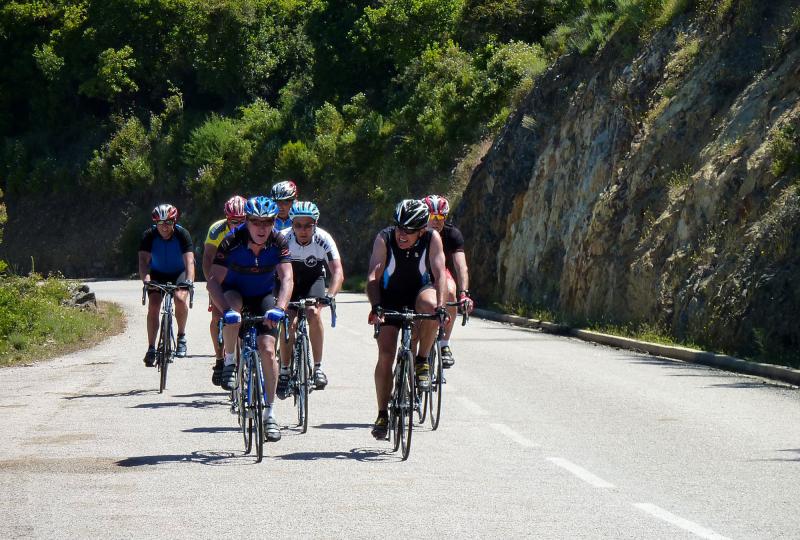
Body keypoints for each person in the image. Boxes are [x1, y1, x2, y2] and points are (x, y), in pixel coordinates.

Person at [206, 196, 293, 443]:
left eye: (268, 222)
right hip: (235, 293)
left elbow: (287, 279)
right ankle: (230, 362)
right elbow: (213, 281)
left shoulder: (278, 241)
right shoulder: (231, 241)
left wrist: (281, 307)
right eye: (256, 222)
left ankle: (269, 414)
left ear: (274, 222)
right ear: (247, 221)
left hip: (264, 296)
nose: (262, 228)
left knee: (267, 350)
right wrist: (224, 310)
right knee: (233, 308)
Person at [366, 199, 448, 440]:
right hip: (389, 297)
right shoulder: (385, 237)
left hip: (419, 292)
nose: (402, 234)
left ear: (422, 230)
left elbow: (440, 272)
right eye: (400, 228)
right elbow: (373, 274)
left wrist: (442, 306)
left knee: (431, 306)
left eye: (409, 231)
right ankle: (382, 413)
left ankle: (422, 358)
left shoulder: (432, 238)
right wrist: (376, 306)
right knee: (386, 354)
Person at [276, 201, 344, 398]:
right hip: (287, 281)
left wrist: (330, 295)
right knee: (288, 319)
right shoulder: (283, 238)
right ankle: (285, 370)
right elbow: (272, 269)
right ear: (292, 224)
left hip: (313, 279)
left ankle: (318, 367)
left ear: (315, 224)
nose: (303, 230)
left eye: (308, 225)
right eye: (298, 225)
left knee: (314, 313)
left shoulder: (324, 239)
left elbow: (337, 271)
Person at [138, 204, 195, 366]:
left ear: (174, 222)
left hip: (179, 273)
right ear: (155, 223)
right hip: (157, 273)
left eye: (168, 223)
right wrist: (146, 279)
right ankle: (151, 348)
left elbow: (189, 261)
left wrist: (189, 280)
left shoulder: (182, 234)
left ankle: (181, 336)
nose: (164, 227)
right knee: (154, 305)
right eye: (160, 223)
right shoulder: (149, 235)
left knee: (180, 298)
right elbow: (143, 261)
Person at [422, 195, 474, 368]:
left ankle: (444, 343)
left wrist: (464, 293)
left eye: (439, 217)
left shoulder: (452, 234)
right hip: (419, 273)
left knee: (450, 291)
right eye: (431, 217)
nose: (435, 221)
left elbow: (461, 266)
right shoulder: (416, 232)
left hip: (441, 273)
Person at [203, 195, 247, 386]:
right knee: (216, 318)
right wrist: (213, 286)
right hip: (221, 276)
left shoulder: (255, 229)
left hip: (245, 278)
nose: (238, 225)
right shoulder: (217, 229)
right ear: (227, 218)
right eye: (233, 221)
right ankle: (220, 360)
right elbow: (207, 259)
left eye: (242, 221)